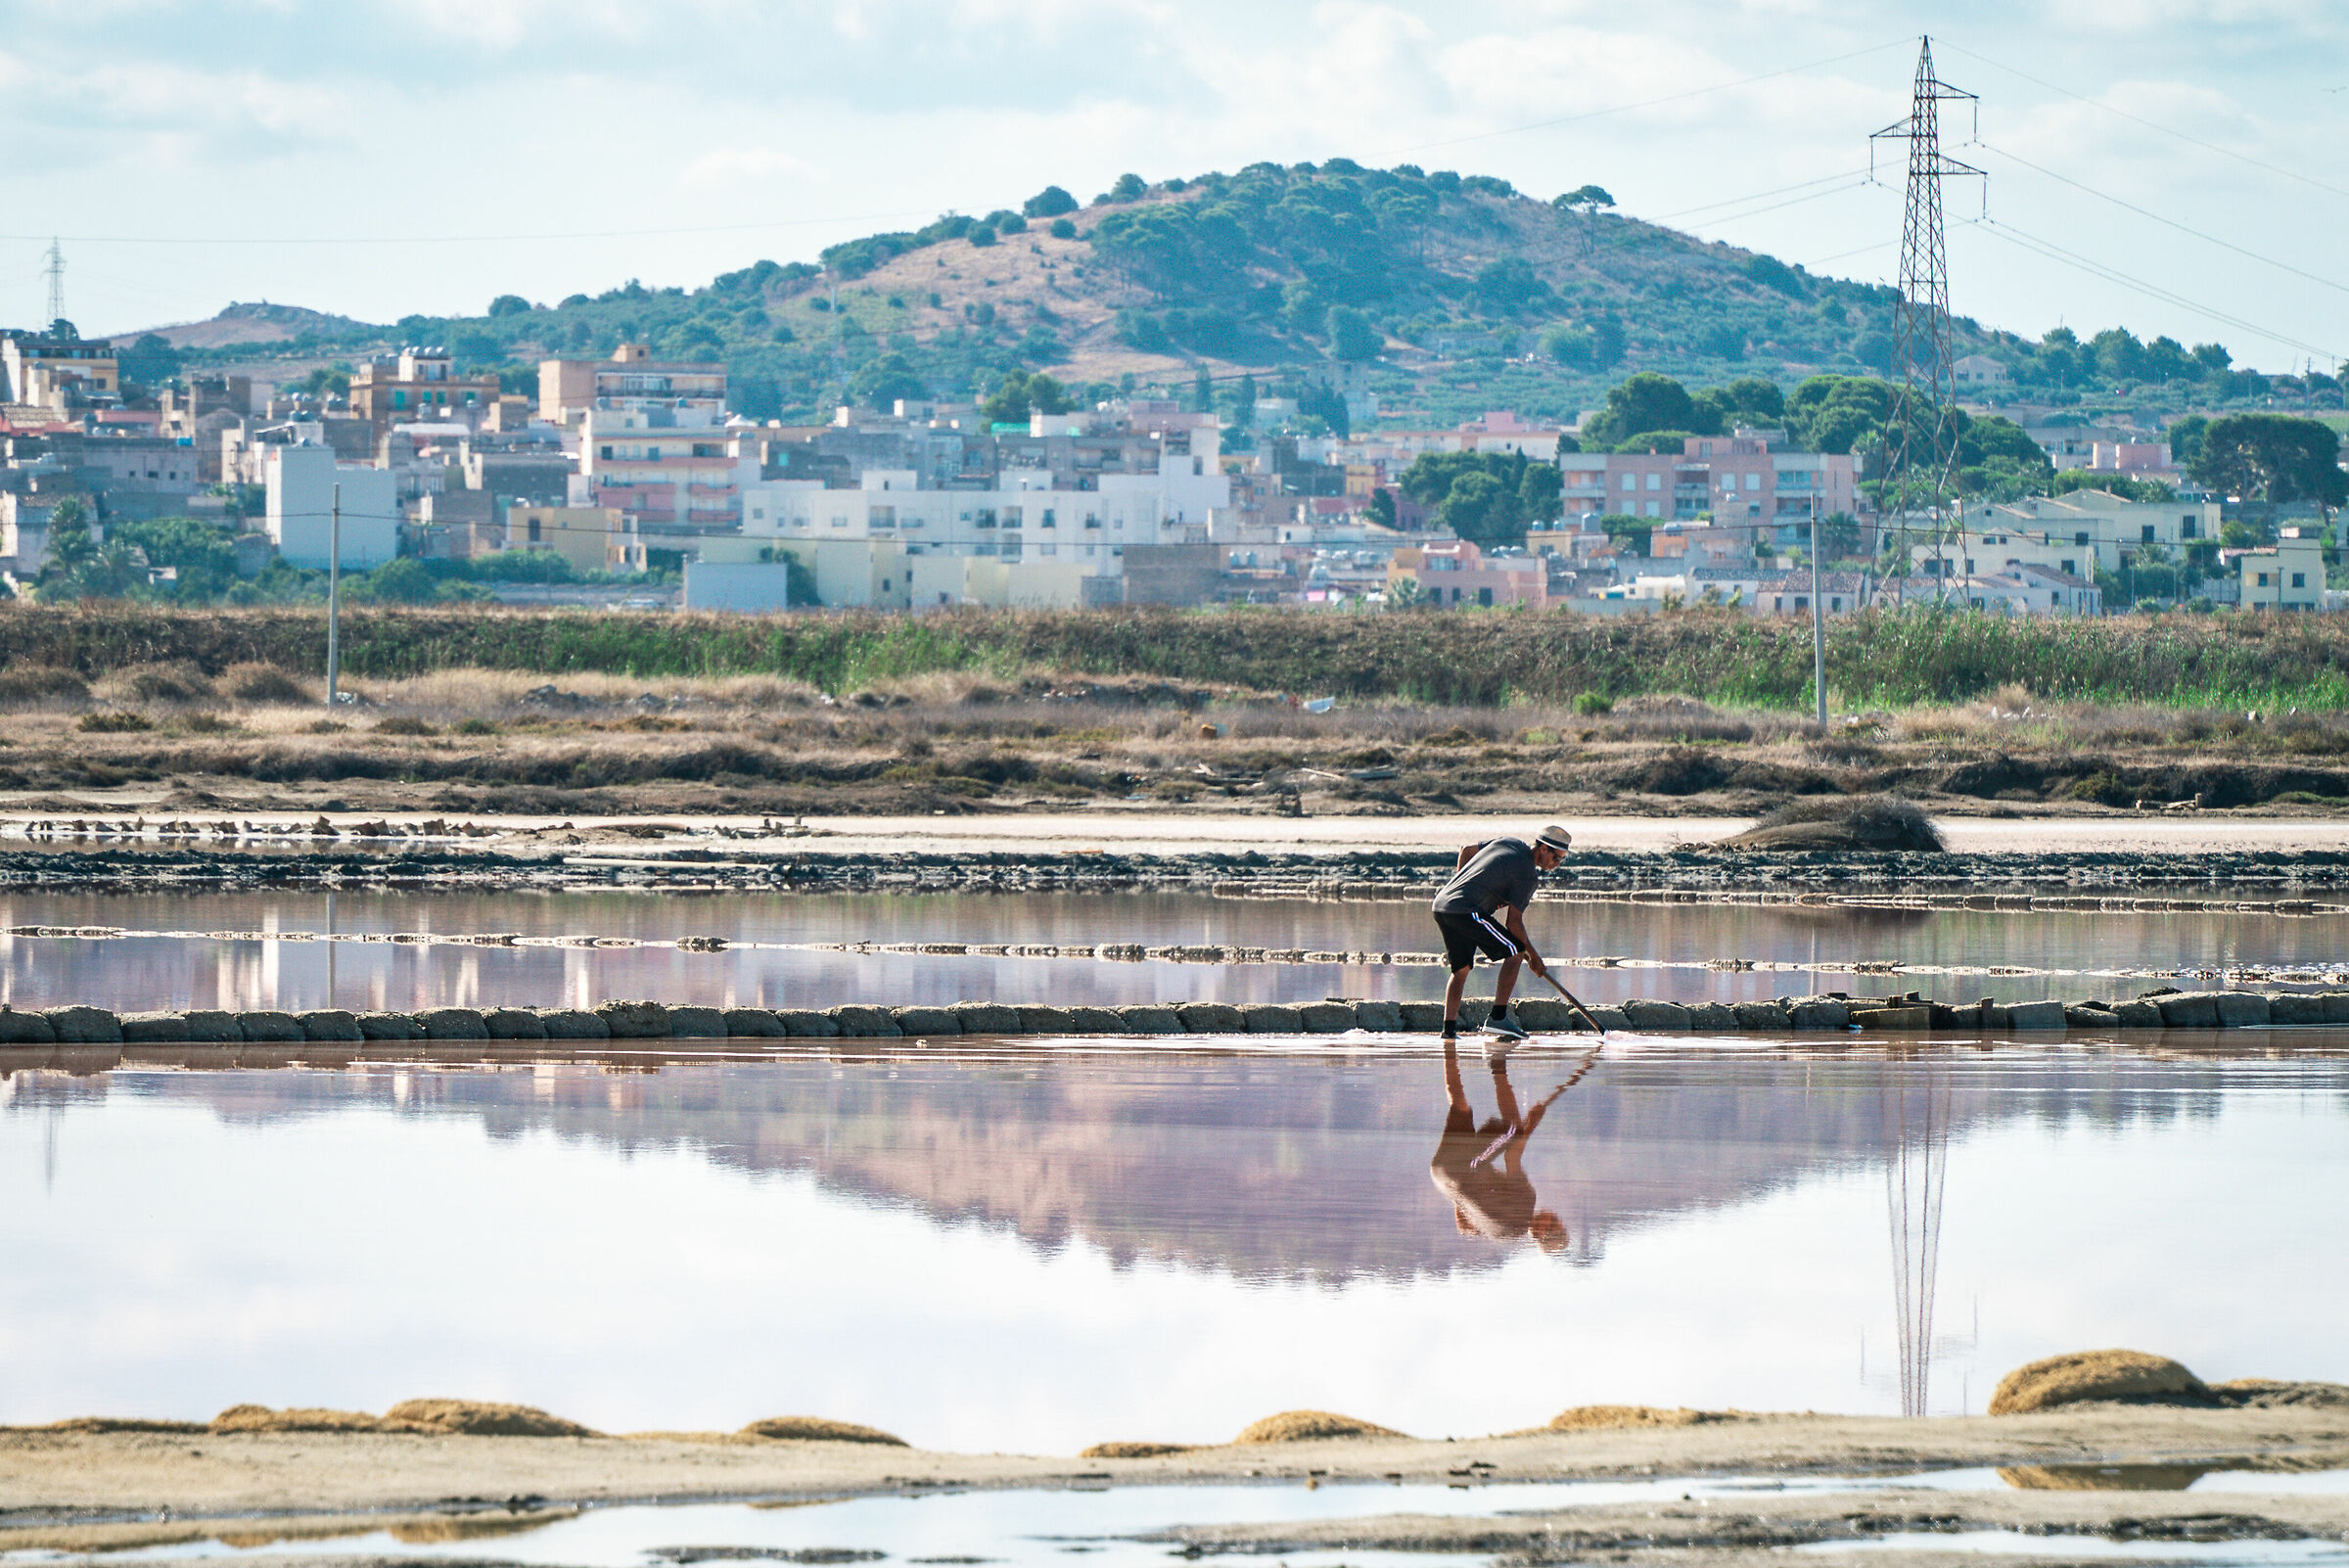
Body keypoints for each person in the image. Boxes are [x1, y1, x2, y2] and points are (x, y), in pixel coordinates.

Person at [1429, 824, 1571, 1056]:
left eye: (1562, 859)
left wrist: (1461, 882)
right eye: (1556, 857)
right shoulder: (1528, 876)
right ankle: (1498, 1017)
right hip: (1465, 909)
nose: (1557, 864)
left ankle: (1449, 1031)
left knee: (1461, 968)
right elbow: (1513, 923)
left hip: (1442, 904)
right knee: (1515, 952)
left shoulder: (1510, 842)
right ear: (1544, 848)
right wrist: (1534, 957)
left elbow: (1466, 850)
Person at [1429, 1036, 1569, 1252]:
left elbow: (1512, 1155)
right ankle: (1449, 1045)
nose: (1555, 1215)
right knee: (1460, 1107)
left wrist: (1531, 1122)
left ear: (1543, 1232)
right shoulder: (1499, 1234)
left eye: (1555, 1222)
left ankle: (1498, 1062)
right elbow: (1464, 1223)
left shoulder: (1525, 1206)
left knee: (1512, 1128)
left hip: (1464, 1168)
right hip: (1441, 1174)